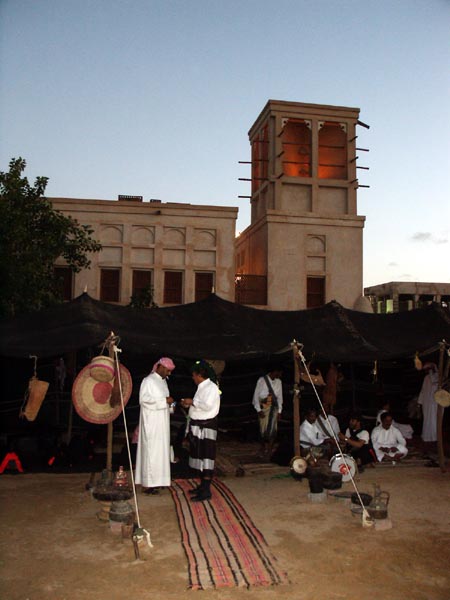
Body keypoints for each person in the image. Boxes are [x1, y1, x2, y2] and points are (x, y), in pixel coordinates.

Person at [180, 360, 221, 502]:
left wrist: (192, 402)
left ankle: (206, 491)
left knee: (207, 458)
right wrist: (189, 405)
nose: (192, 378)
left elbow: (208, 406)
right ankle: (202, 486)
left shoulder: (212, 388)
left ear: (199, 375)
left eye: (193, 375)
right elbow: (199, 405)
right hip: (198, 425)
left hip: (206, 427)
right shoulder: (202, 387)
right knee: (199, 457)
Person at [135, 357, 175, 495]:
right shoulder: (148, 381)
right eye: (168, 370)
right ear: (160, 367)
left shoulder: (164, 382)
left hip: (163, 423)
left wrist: (171, 404)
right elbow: (144, 400)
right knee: (151, 453)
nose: (168, 373)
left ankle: (160, 481)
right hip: (151, 423)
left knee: (161, 452)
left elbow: (168, 401)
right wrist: (164, 401)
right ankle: (148, 484)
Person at [252, 366, 283, 456]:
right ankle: (263, 447)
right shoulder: (262, 380)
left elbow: (280, 397)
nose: (281, 375)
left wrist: (280, 411)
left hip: (274, 407)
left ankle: (269, 449)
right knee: (263, 429)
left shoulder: (279, 382)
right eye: (280, 372)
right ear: (275, 371)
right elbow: (256, 395)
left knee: (273, 429)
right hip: (264, 406)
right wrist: (258, 409)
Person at [417, 362, 439, 442]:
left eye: (428, 369)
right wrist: (420, 403)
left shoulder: (438, 376)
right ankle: (426, 436)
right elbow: (423, 391)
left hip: (435, 403)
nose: (428, 371)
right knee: (427, 419)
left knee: (434, 420)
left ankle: (434, 437)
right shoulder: (426, 378)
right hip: (426, 402)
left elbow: (435, 383)